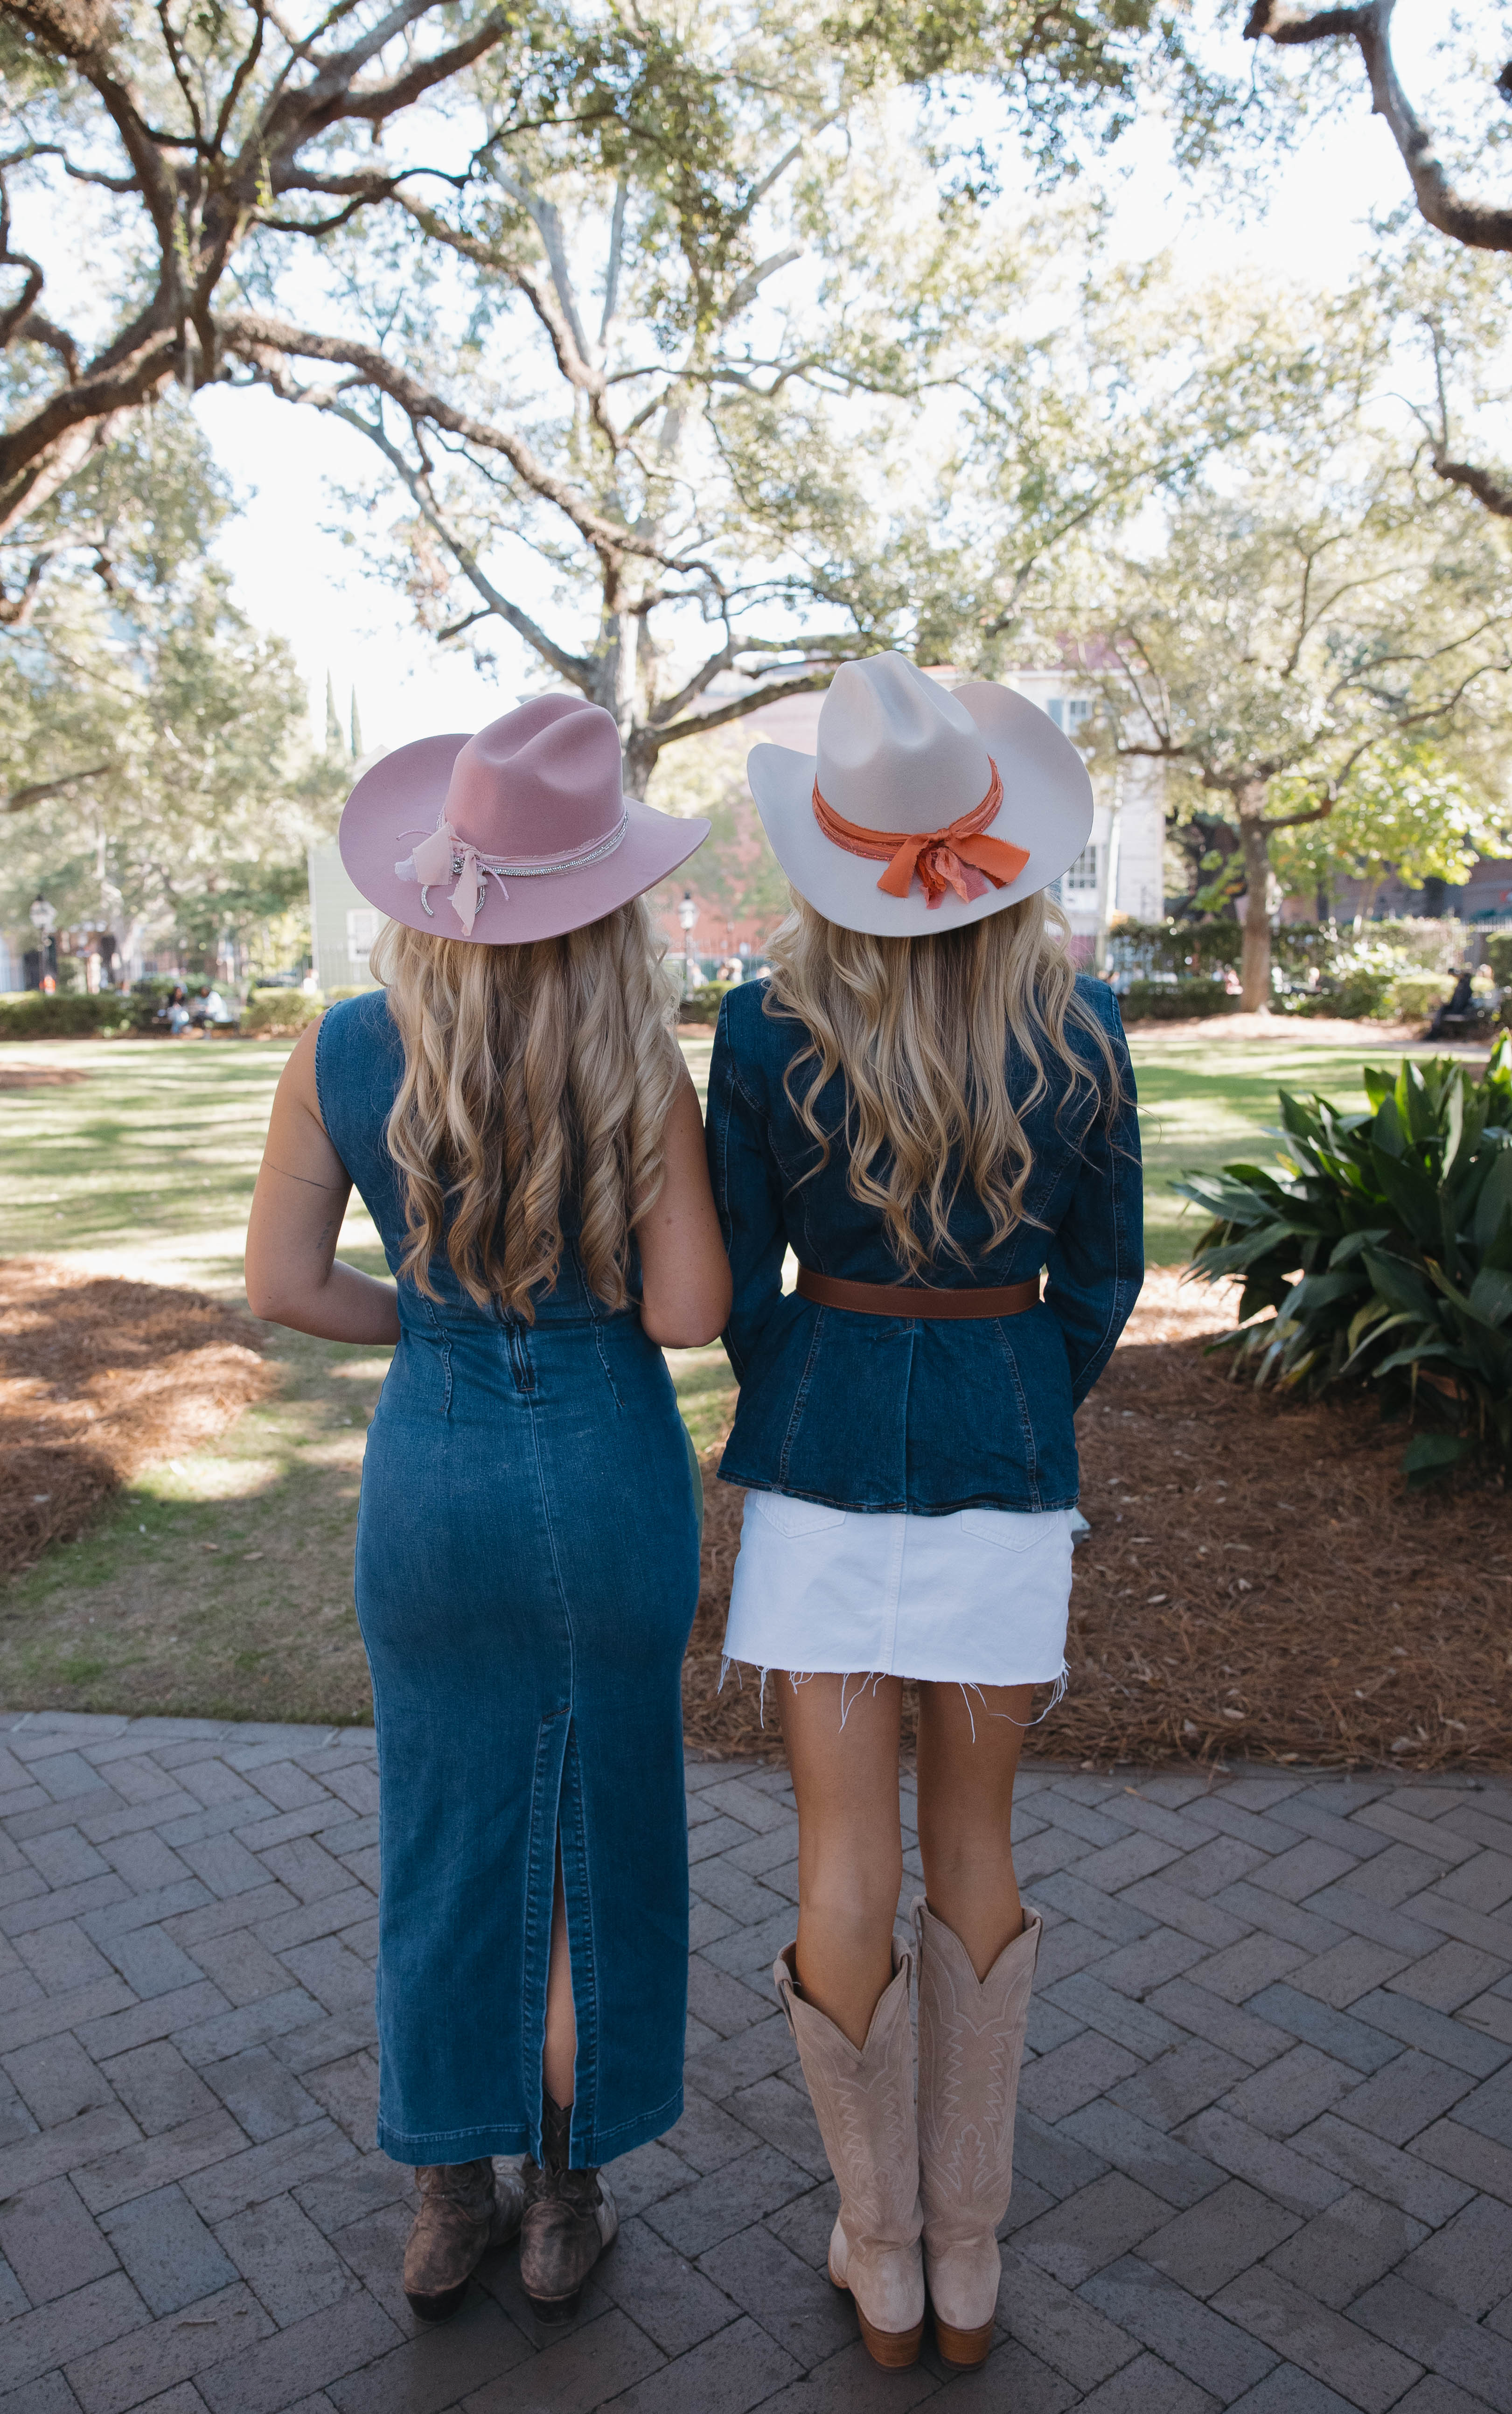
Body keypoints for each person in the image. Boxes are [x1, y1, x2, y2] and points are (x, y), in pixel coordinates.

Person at [245, 695, 730, 2326]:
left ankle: (447, 2194)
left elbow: (285, 1287)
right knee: (603, 1838)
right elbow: (683, 1317)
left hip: (434, 1483)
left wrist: (433, 1327)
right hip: (607, 1480)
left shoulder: (342, 1048)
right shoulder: (639, 1064)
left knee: (443, 1841)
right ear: (604, 902)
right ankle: (562, 2201)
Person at [708, 655, 1143, 2371]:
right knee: (973, 1845)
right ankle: (965, 2260)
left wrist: (808, 1369)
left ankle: (878, 2252)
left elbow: (740, 1275)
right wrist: (1018, 1390)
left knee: (837, 1856)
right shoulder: (1082, 1024)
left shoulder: (759, 1023)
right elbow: (1100, 1279)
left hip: (818, 1472)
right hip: (1000, 1472)